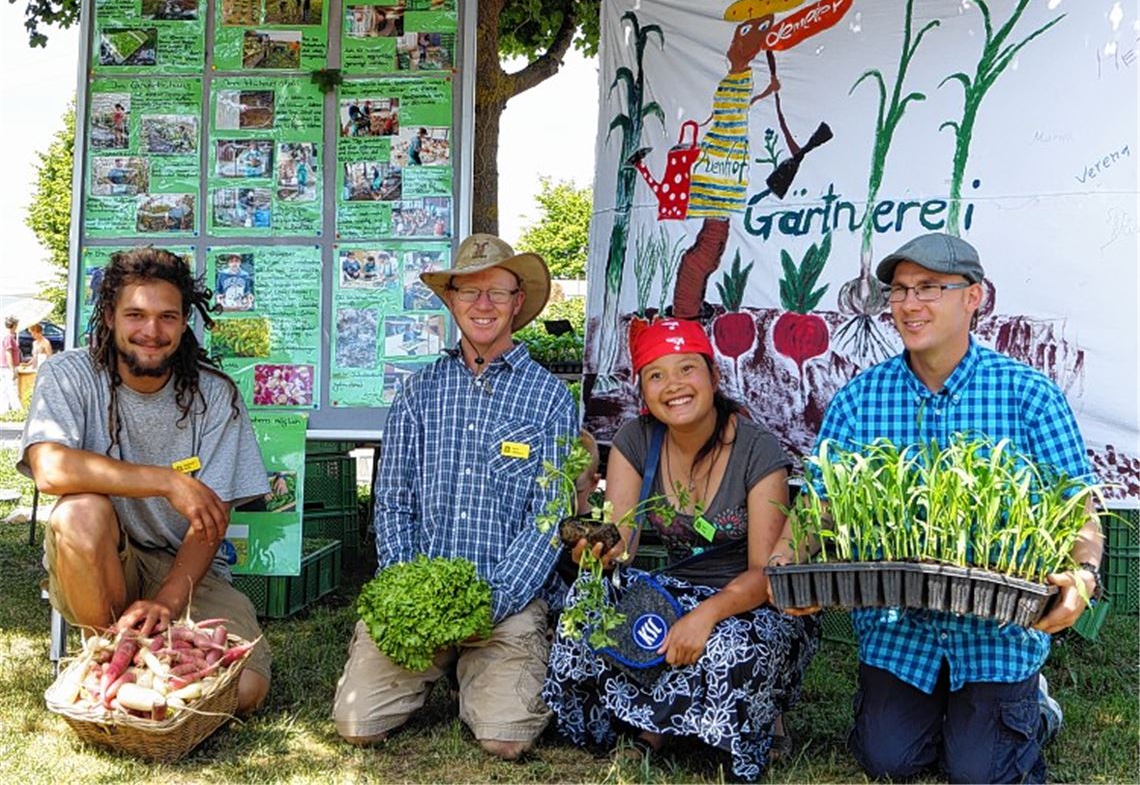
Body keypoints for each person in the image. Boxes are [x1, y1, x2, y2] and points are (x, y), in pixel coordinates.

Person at [773, 232, 1103, 784]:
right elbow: (819, 508)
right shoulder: (861, 398)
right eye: (899, 290)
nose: (909, 304)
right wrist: (788, 561)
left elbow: (1079, 509)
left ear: (973, 297)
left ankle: (1033, 707)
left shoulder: (1028, 394)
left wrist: (1082, 574)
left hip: (996, 629)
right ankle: (948, 717)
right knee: (888, 759)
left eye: (929, 287)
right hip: (899, 631)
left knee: (980, 772)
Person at [332, 234, 578, 759]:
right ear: (451, 301)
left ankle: (483, 670)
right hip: (423, 595)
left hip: (505, 599)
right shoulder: (418, 392)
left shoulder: (551, 397)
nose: (482, 305)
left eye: (497, 291)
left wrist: (495, 600)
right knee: (357, 723)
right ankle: (448, 668)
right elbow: (393, 501)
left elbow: (550, 514)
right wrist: (407, 587)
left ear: (518, 301)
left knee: (504, 739)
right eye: (469, 292)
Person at [543, 318, 819, 782]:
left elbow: (767, 574)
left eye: (686, 369)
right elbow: (622, 546)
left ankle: (758, 715)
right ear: (643, 392)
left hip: (750, 602)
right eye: (656, 375)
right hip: (671, 593)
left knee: (728, 648)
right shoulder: (636, 439)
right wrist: (596, 553)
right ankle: (650, 726)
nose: (673, 386)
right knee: (591, 605)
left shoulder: (757, 449)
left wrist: (706, 614)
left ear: (713, 377)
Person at [17, 247, 272, 714]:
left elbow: (210, 522)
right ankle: (106, 658)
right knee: (79, 511)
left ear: (184, 322)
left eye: (167, 317)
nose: (151, 332)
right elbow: (49, 469)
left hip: (190, 571)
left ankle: (134, 680)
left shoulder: (216, 396)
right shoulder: (68, 374)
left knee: (247, 689)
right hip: (104, 559)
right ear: (111, 316)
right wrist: (164, 481)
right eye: (135, 314)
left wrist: (168, 601)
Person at [1, 316, 20, 412]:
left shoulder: (8, 336)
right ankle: (16, 410)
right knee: (12, 388)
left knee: (4, 388)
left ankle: (3, 410)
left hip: (5, 367)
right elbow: (8, 354)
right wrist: (13, 370)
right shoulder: (8, 338)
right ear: (14, 325)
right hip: (9, 367)